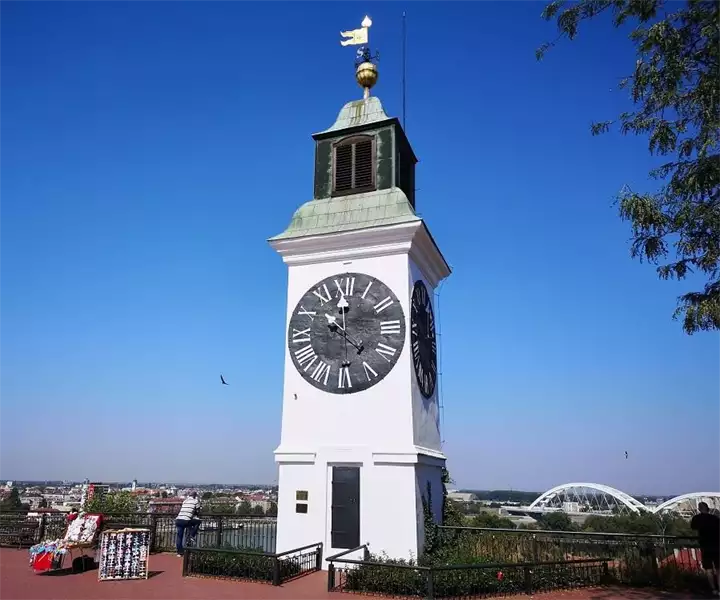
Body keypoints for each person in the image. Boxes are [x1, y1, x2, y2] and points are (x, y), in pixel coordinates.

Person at [691, 502, 720, 595]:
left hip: (705, 546)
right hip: (716, 545)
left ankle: (713, 589)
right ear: (708, 508)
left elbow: (693, 527)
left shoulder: (696, 519)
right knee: (719, 569)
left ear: (699, 509)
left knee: (709, 569)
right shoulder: (714, 518)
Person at [175, 491, 201, 557]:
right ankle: (191, 535)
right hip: (186, 520)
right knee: (198, 522)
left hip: (178, 519)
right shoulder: (196, 501)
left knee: (179, 537)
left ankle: (179, 552)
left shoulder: (185, 501)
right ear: (195, 496)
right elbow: (198, 511)